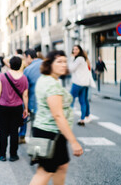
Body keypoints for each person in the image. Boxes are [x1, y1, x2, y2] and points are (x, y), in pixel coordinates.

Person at [30, 50, 83, 185]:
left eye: (65, 61)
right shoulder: (52, 84)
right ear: (50, 64)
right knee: (45, 171)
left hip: (49, 131)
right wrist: (73, 141)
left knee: (61, 166)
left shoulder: (47, 79)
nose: (63, 64)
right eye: (59, 61)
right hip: (51, 133)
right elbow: (58, 115)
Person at [0, 56, 28, 162]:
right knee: (14, 131)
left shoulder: (2, 76)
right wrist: (25, 108)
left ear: (10, 64)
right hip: (17, 108)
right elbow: (25, 95)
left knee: (3, 131)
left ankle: (2, 154)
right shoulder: (24, 78)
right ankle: (13, 155)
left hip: (3, 107)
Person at [19, 49, 43, 144]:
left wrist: (25, 107)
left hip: (34, 103)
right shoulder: (47, 64)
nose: (24, 61)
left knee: (35, 127)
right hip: (49, 103)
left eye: (25, 58)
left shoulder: (27, 70)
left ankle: (22, 136)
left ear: (29, 57)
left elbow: (25, 91)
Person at [69, 45, 92, 126]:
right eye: (73, 49)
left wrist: (71, 58)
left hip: (77, 83)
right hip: (85, 84)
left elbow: (71, 69)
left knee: (70, 100)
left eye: (76, 49)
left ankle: (68, 118)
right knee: (83, 101)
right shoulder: (84, 59)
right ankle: (83, 119)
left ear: (80, 50)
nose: (74, 51)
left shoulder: (78, 59)